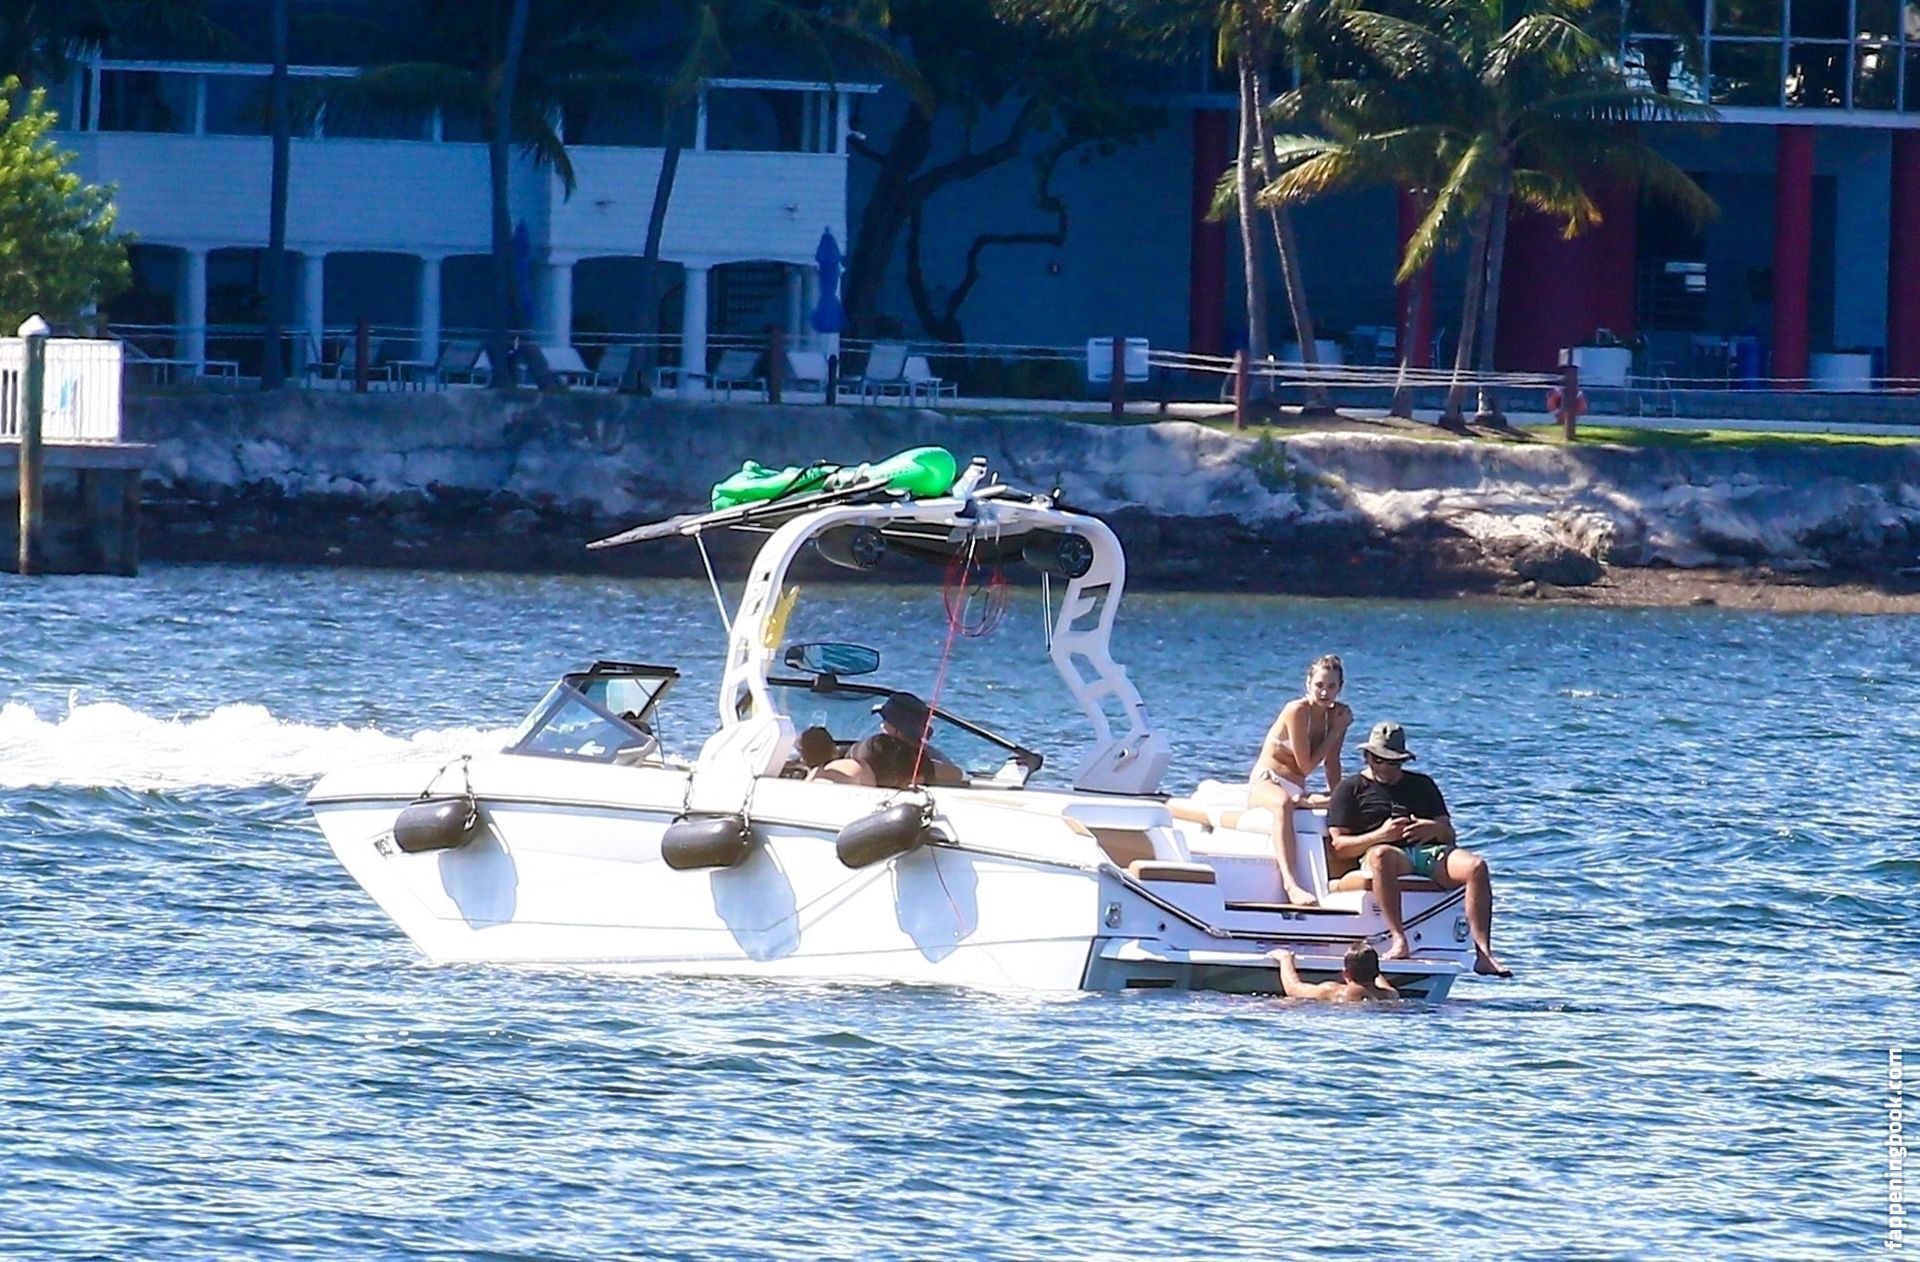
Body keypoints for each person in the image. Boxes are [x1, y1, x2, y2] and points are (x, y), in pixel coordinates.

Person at [1325, 721, 1510, 977]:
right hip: (1384, 853)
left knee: (1476, 866)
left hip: (1427, 851)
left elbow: (1449, 834)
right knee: (1382, 855)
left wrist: (1432, 828)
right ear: (1367, 757)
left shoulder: (1422, 785)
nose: (1387, 768)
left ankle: (1484, 954)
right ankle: (1399, 939)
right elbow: (1338, 847)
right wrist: (1382, 835)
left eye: (1395, 763)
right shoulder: (1351, 789)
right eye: (1380, 760)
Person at [1249, 654, 1352, 907]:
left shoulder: (1337, 716)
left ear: (1340, 688)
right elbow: (1306, 765)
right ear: (1308, 684)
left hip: (1297, 788)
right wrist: (1336, 730)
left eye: (1331, 686)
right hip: (1268, 780)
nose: (1324, 692)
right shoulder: (1296, 711)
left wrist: (1337, 797)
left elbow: (1332, 762)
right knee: (1284, 804)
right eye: (1319, 685)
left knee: (1347, 801)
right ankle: (1291, 884)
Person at [859, 692, 965, 787]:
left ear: (898, 730)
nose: (882, 725)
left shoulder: (877, 752)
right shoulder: (938, 759)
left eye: (886, 721)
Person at [1270, 945, 1399, 1002]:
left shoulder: (1333, 991)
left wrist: (1285, 958)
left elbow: (1293, 989)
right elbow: (1378, 979)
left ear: (1345, 974)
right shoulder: (1390, 995)